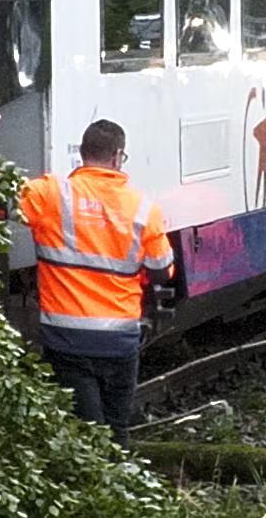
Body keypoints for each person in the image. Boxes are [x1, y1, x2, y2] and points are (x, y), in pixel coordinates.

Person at [17, 118, 172, 432]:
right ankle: (118, 463)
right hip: (120, 342)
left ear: (82, 153)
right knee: (117, 428)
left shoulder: (51, 194)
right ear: (117, 157)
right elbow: (161, 270)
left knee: (87, 432)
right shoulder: (143, 208)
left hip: (67, 341)